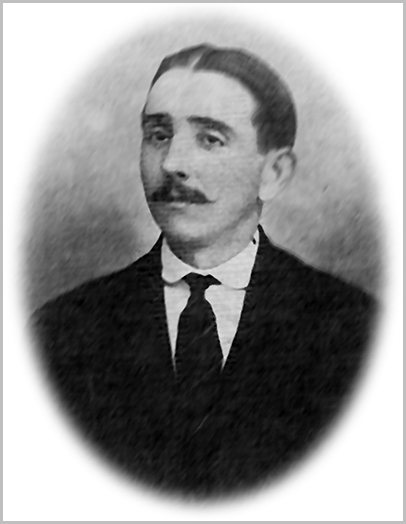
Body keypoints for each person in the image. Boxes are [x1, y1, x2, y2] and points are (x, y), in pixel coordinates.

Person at [33, 44, 376, 497]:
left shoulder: (357, 329)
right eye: (158, 135)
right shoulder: (61, 330)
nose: (172, 163)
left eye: (210, 139)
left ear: (273, 172)